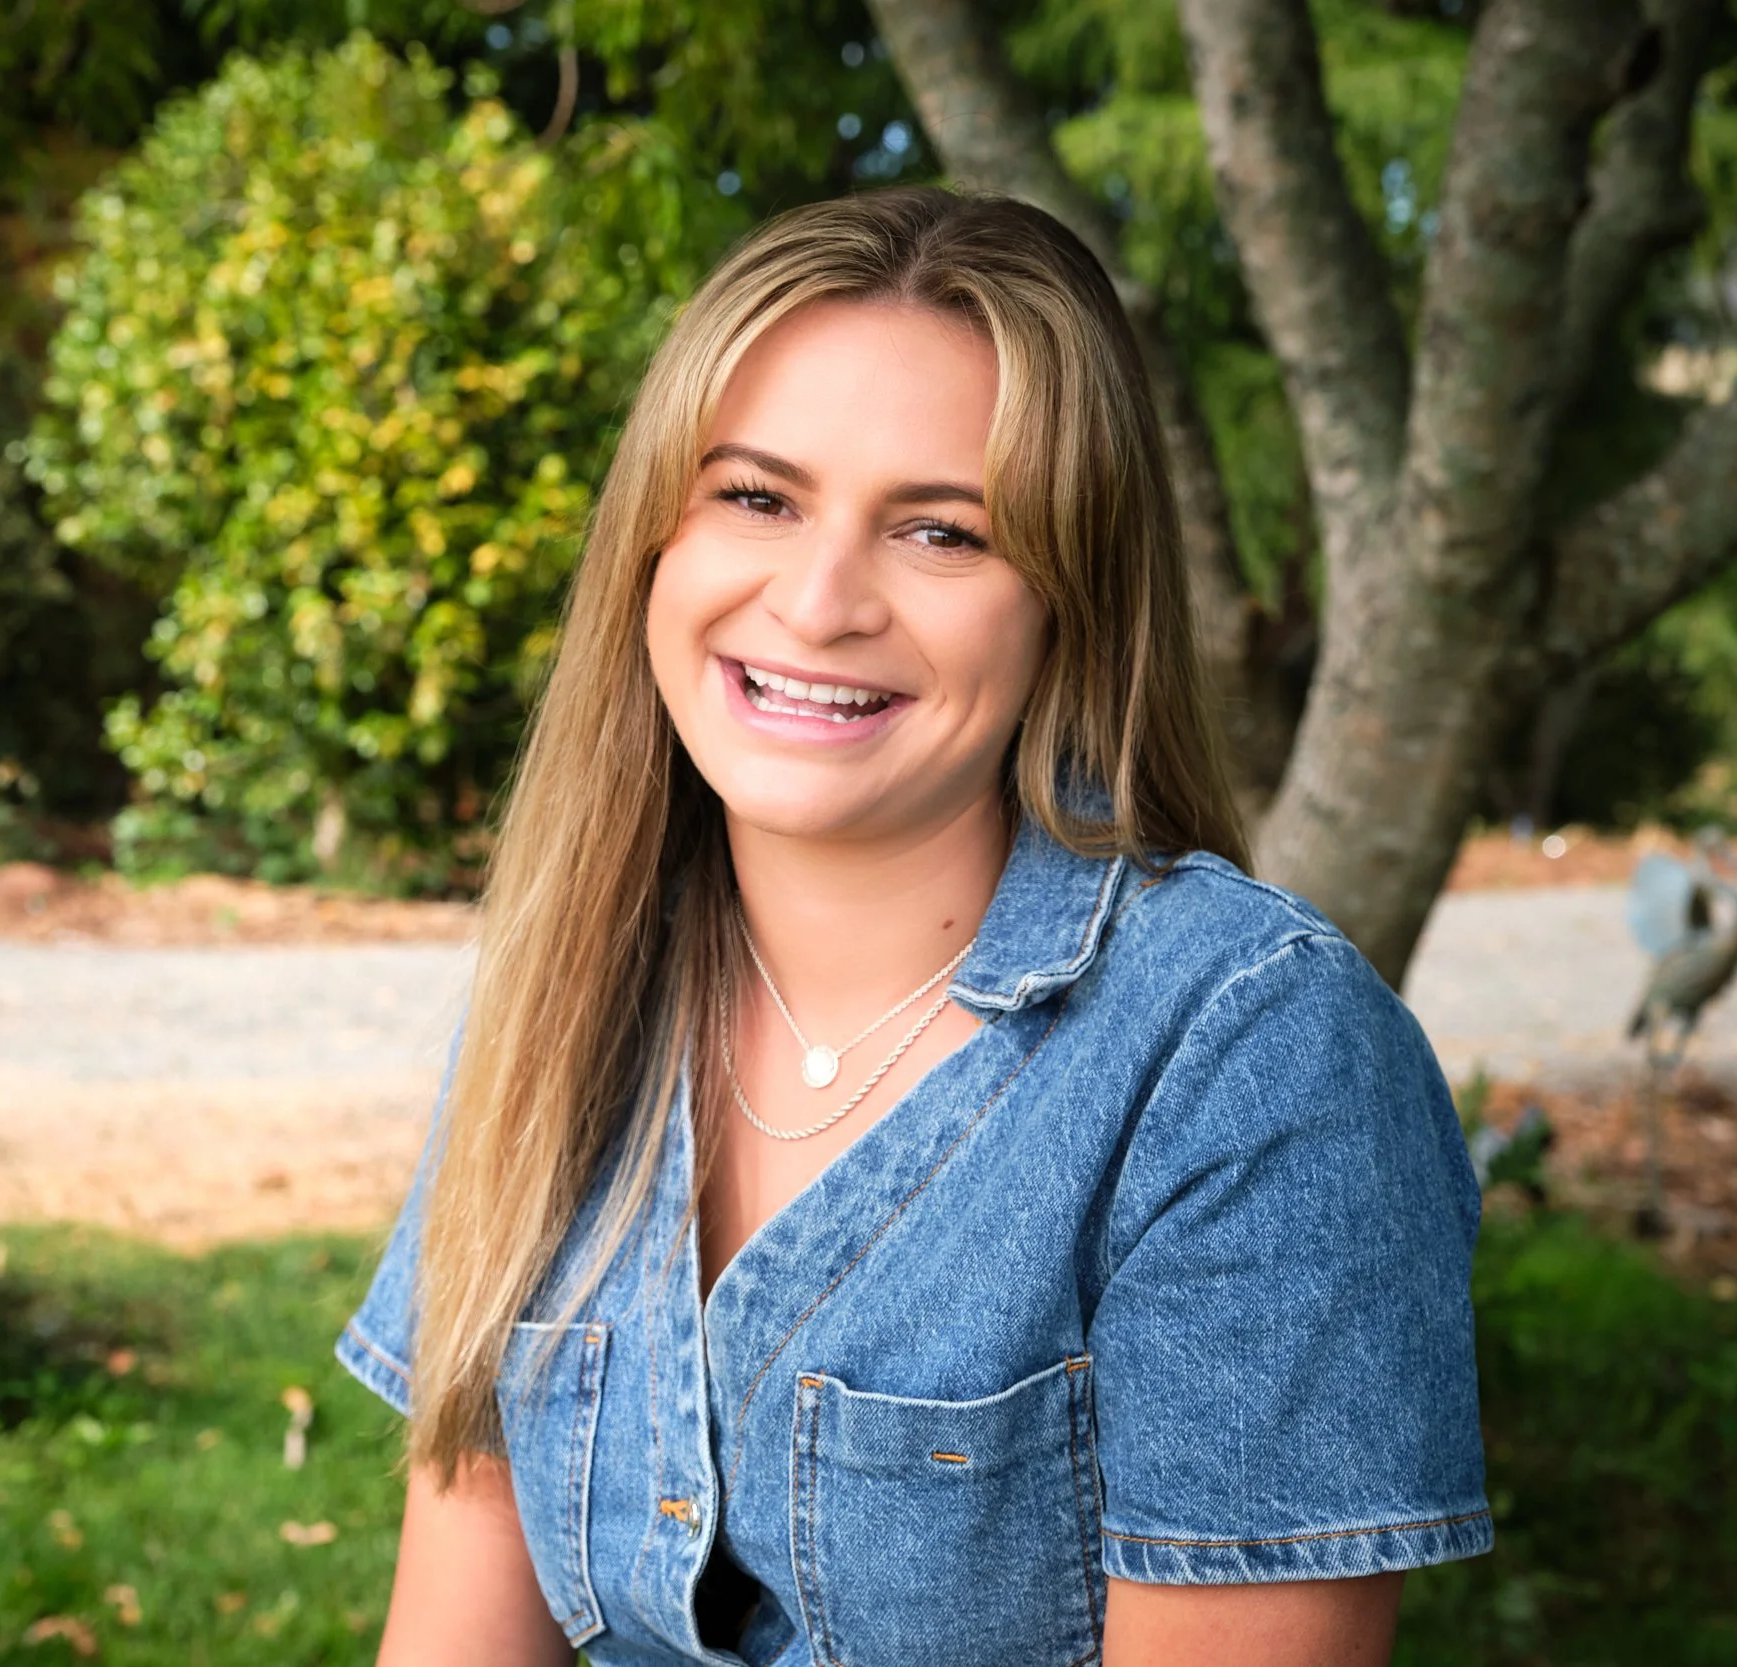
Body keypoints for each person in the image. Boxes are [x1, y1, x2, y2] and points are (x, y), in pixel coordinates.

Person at [335, 186, 1489, 1667]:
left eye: (940, 532)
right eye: (755, 496)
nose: (817, 603)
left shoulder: (1248, 1054)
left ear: (1068, 601)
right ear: (651, 547)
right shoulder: (571, 988)